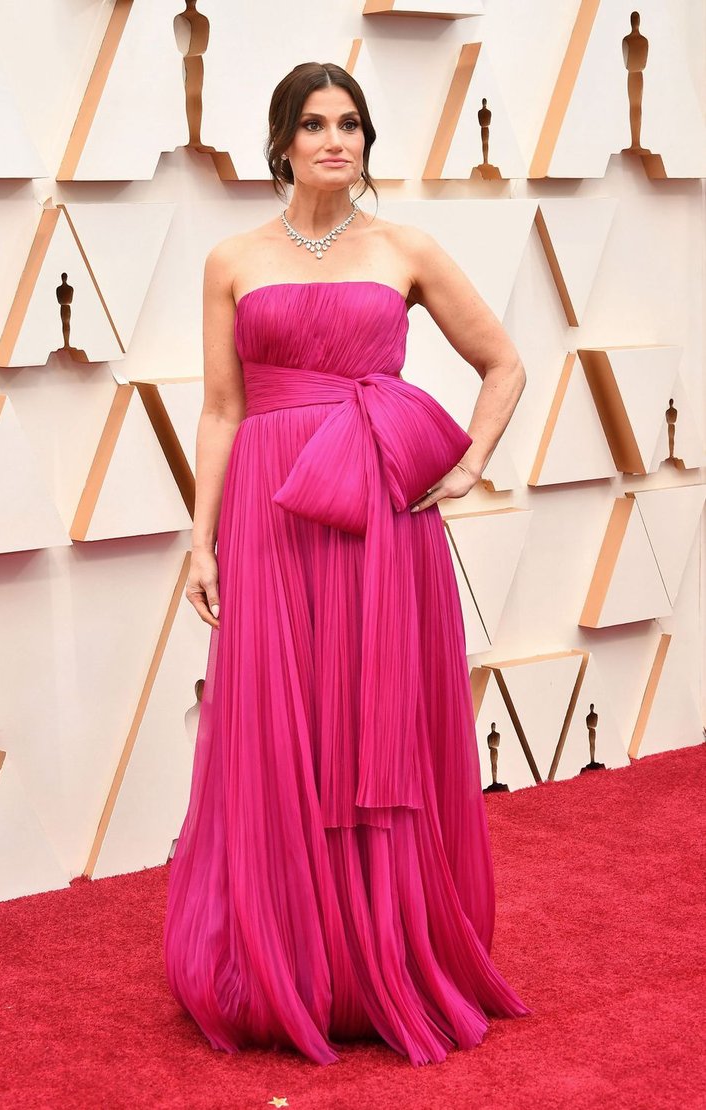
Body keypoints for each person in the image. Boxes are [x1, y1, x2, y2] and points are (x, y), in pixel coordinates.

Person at [163, 60, 531, 1067]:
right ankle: (290, 957)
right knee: (284, 730)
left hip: (380, 513)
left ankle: (380, 957)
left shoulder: (404, 248)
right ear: (280, 141)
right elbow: (223, 407)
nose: (337, 140)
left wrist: (467, 466)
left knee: (373, 728)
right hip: (271, 511)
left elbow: (501, 361)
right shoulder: (232, 260)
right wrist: (200, 539)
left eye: (353, 125)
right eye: (316, 125)